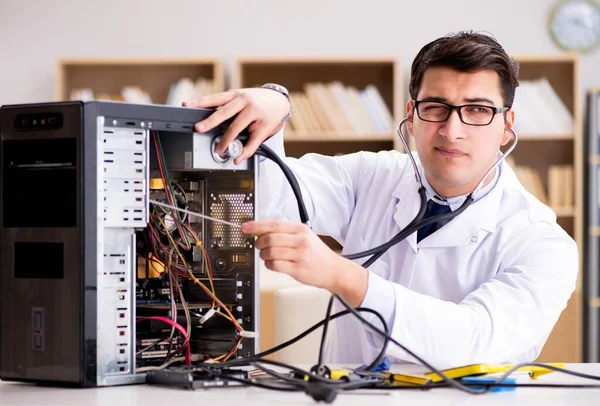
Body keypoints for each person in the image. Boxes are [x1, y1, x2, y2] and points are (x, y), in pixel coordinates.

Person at [183, 31, 579, 369]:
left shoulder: (543, 242)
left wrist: (344, 276)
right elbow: (270, 201)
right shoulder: (372, 176)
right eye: (436, 108)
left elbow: (474, 341)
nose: (452, 129)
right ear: (412, 114)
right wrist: (275, 107)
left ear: (506, 127)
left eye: (477, 110)